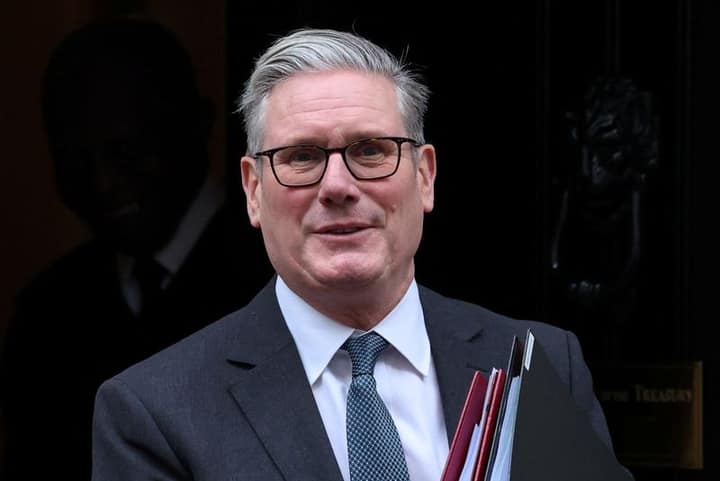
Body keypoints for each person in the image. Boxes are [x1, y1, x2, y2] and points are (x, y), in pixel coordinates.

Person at [90, 27, 625, 481]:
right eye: (301, 156)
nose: (338, 186)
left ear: (425, 176)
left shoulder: (541, 365)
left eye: (370, 150)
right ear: (253, 190)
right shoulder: (155, 412)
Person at [0, 17, 272, 480]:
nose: (102, 182)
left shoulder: (277, 277)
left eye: (125, 149)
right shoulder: (46, 313)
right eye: (75, 160)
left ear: (199, 124)